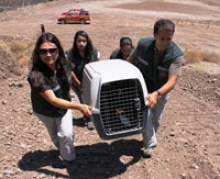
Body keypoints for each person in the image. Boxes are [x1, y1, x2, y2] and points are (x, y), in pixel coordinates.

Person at [27, 25, 92, 167]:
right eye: (44, 51)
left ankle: (69, 159)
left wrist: (79, 88)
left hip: (64, 108)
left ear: (58, 50)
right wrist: (80, 106)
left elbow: (70, 79)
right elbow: (54, 100)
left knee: (66, 135)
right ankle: (59, 146)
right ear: (38, 53)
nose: (48, 54)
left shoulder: (63, 63)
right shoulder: (36, 76)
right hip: (45, 111)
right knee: (55, 135)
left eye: (52, 50)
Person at [127, 19, 184, 158]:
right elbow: (130, 62)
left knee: (156, 119)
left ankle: (149, 136)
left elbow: (172, 81)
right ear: (154, 34)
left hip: (161, 91)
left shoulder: (176, 55)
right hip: (143, 88)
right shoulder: (142, 45)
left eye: (168, 39)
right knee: (146, 115)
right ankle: (149, 143)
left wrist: (157, 93)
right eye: (162, 38)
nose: (165, 42)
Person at [66, 30, 100, 130]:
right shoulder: (70, 54)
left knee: (93, 98)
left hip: (91, 80)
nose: (81, 43)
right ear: (75, 42)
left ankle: (95, 116)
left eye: (84, 41)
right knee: (83, 99)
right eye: (79, 41)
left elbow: (96, 64)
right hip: (77, 81)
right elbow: (70, 69)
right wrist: (77, 82)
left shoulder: (93, 52)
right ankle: (89, 119)